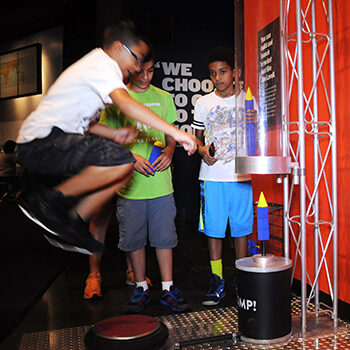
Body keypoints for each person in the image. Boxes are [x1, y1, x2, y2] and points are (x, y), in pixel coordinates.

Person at [15, 19, 196, 255]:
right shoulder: (102, 64)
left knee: (124, 167)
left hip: (51, 143)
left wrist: (113, 132)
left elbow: (87, 124)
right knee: (121, 159)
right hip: (42, 142)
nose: (138, 68)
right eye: (136, 59)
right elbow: (127, 105)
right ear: (119, 48)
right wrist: (176, 132)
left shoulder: (96, 70)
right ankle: (48, 202)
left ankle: (71, 220)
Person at [84, 48, 191, 313]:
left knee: (165, 238)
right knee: (133, 240)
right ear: (131, 68)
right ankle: (140, 285)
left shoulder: (164, 98)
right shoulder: (117, 99)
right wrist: (130, 157)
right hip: (129, 187)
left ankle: (167, 288)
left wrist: (169, 150)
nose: (146, 76)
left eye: (151, 70)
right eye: (141, 70)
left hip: (161, 185)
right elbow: (104, 134)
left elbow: (170, 134)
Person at [191, 46, 257, 306]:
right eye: (212, 73)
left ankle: (242, 278)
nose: (217, 78)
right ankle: (217, 280)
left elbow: (258, 139)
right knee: (214, 231)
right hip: (212, 177)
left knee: (241, 231)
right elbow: (196, 141)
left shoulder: (248, 101)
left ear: (235, 72)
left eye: (222, 72)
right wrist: (202, 150)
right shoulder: (204, 103)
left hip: (241, 177)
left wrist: (254, 123)